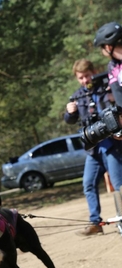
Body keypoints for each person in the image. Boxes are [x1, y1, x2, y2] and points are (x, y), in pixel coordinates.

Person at [64, 58, 122, 236]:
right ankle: (95, 222)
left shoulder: (107, 88)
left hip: (113, 145)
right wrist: (69, 112)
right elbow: (69, 120)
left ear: (93, 72)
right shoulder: (77, 96)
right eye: (81, 78)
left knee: (118, 184)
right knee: (88, 184)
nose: (85, 81)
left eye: (87, 76)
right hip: (93, 148)